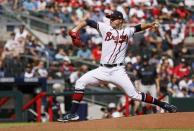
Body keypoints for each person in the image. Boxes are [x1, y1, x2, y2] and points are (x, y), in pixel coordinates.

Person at [57, 11, 177, 122]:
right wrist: (75, 29)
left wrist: (151, 24)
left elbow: (139, 27)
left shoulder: (127, 31)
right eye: (110, 18)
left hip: (118, 71)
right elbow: (88, 22)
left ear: (120, 20)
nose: (111, 20)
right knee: (80, 82)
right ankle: (72, 113)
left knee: (134, 95)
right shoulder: (105, 28)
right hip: (102, 70)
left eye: (113, 19)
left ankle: (162, 104)